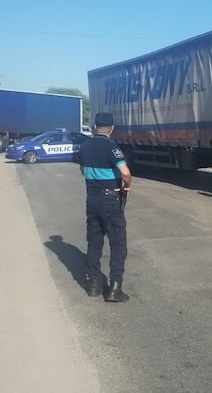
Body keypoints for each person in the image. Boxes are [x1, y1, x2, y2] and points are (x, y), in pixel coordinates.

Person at [78, 112, 132, 302]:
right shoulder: (112, 147)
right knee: (118, 244)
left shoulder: (84, 146)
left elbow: (83, 170)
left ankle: (94, 285)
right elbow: (125, 172)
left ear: (94, 127)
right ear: (112, 128)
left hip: (91, 199)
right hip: (110, 200)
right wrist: (126, 186)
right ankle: (114, 288)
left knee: (94, 242)